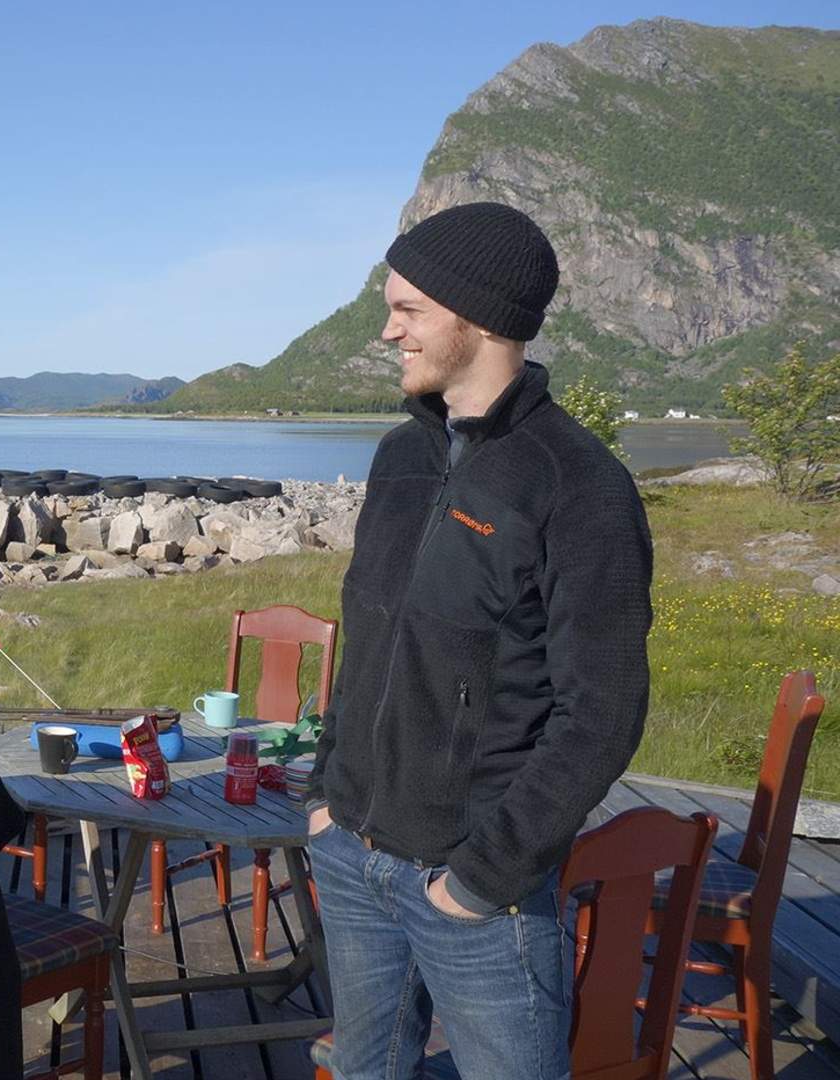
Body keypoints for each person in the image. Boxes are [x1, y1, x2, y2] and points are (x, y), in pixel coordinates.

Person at [301, 201, 654, 1079]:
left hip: (475, 890)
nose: (388, 332)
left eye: (408, 310)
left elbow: (603, 711)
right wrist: (325, 797)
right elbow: (368, 648)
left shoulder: (579, 485)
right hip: (352, 855)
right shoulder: (398, 460)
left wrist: (482, 878)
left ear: (476, 316)